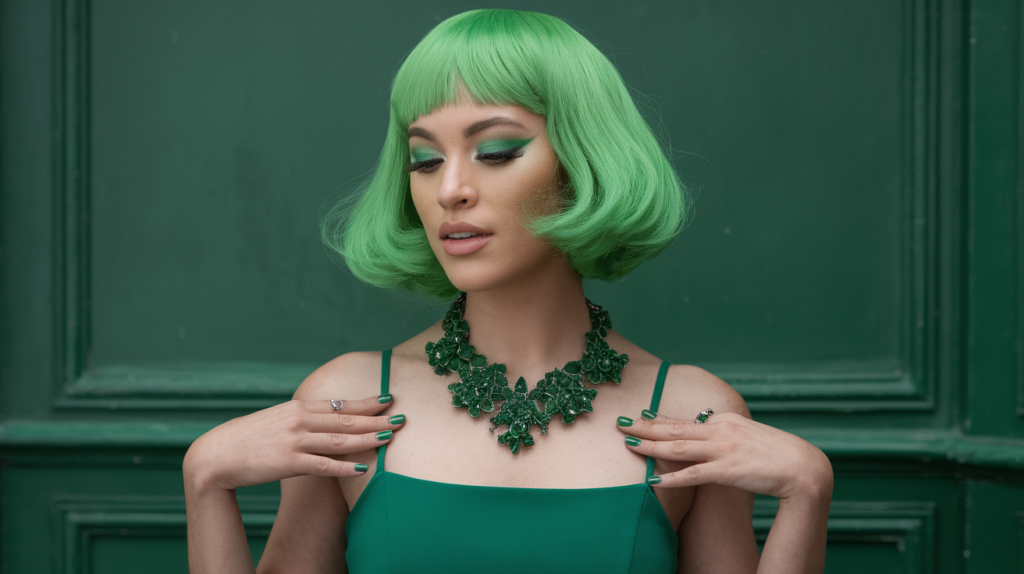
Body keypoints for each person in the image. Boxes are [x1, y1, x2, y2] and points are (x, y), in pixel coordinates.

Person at [183, 9, 833, 574]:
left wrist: (808, 489)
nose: (449, 190)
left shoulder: (692, 413)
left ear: (584, 165)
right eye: (425, 159)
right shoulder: (347, 405)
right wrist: (205, 476)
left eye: (494, 151)